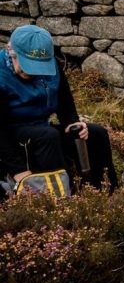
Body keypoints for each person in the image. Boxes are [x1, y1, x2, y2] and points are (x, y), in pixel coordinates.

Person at [0, 25, 118, 193]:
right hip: (11, 135)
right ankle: (61, 197)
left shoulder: (51, 64)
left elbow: (64, 99)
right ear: (12, 53)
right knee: (48, 136)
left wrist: (72, 122)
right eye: (28, 65)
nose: (32, 71)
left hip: (41, 128)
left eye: (38, 66)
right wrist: (18, 170)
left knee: (95, 133)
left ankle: (103, 194)